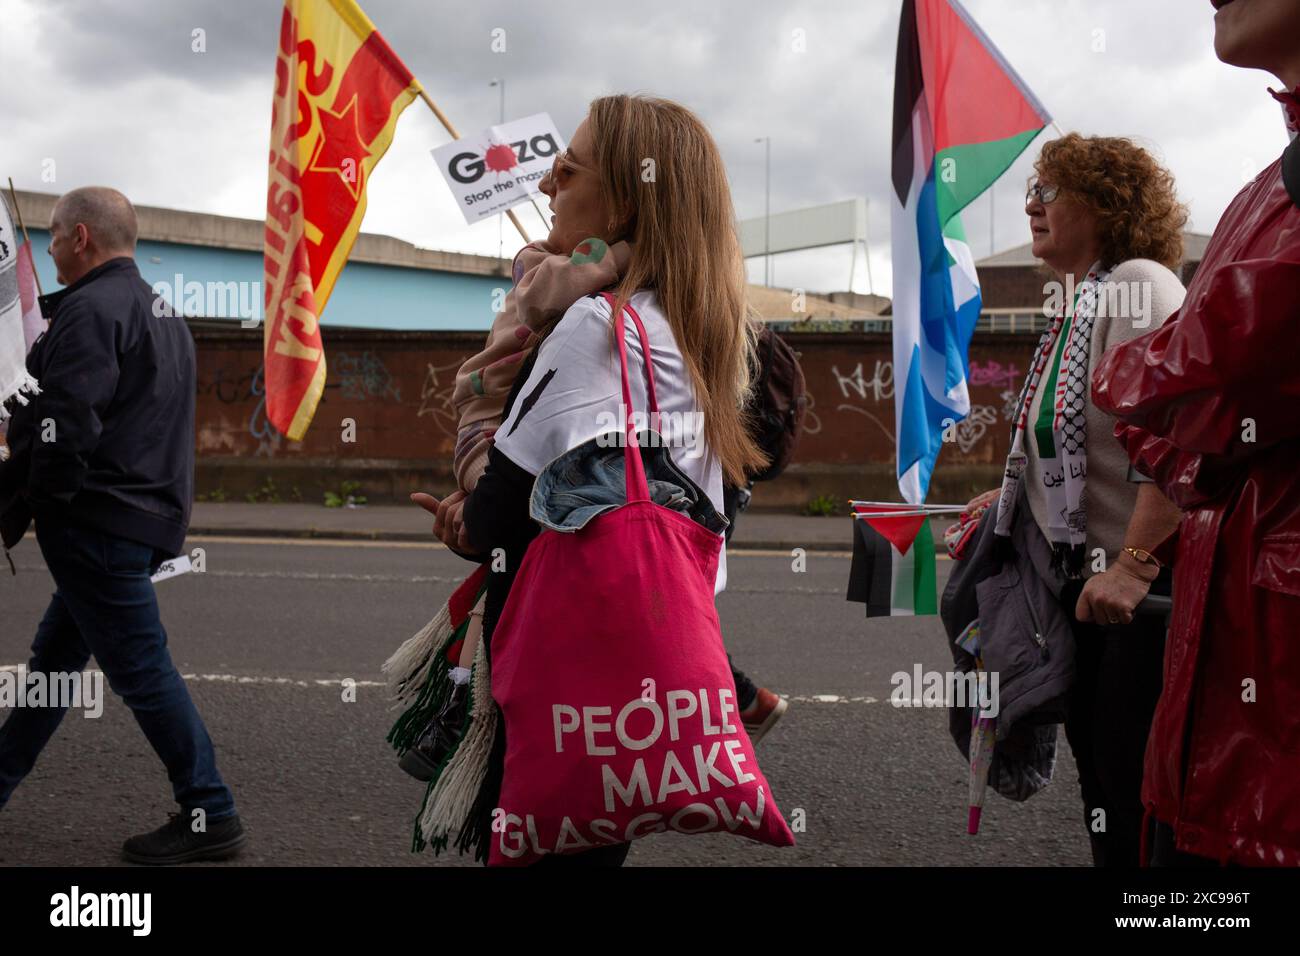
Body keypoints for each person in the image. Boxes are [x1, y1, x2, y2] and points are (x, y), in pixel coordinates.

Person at [415, 94, 769, 865]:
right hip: (647, 645)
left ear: (629, 198)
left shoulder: (591, 328)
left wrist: (464, 519)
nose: (547, 186)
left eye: (567, 170)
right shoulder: (700, 329)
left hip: (567, 658)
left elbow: (498, 516)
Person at [1093, 0, 1300, 867]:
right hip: (1222, 714)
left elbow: (1208, 374)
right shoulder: (1266, 186)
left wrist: (1135, 561)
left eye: (1050, 192)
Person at [0, 186, 244, 864]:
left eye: (52, 236)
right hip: (142, 517)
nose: (47, 250)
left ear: (81, 237)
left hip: (98, 521)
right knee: (54, 666)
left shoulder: (88, 311)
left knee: (141, 669)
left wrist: (42, 500)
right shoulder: (162, 310)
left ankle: (210, 810)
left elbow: (68, 422)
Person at [965, 134, 1187, 865]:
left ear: (1108, 203)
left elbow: (1178, 439)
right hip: (1090, 589)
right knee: (1104, 781)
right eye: (1034, 190)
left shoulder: (1141, 286)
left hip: (1144, 595)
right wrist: (1004, 502)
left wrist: (1133, 564)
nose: (1032, 204)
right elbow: (1073, 448)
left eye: (1051, 191)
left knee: (1133, 790)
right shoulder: (1083, 300)